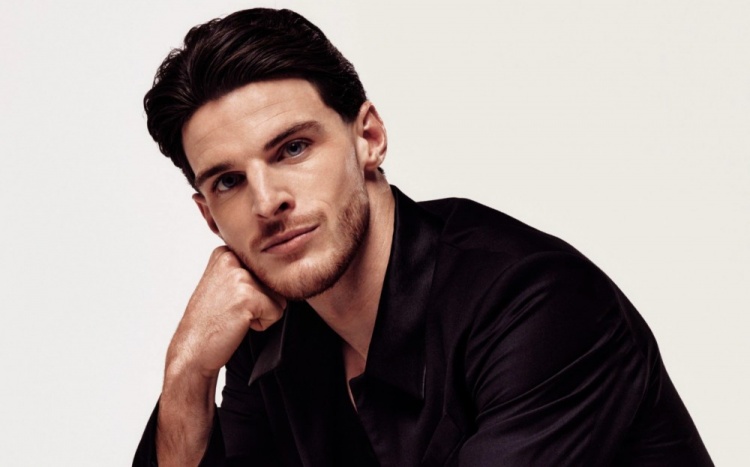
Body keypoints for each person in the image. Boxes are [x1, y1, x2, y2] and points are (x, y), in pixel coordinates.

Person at [133, 8, 713, 466]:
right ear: (209, 216)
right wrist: (186, 373)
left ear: (369, 138)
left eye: (293, 148)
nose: (267, 202)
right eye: (229, 181)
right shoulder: (267, 331)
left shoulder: (537, 303)